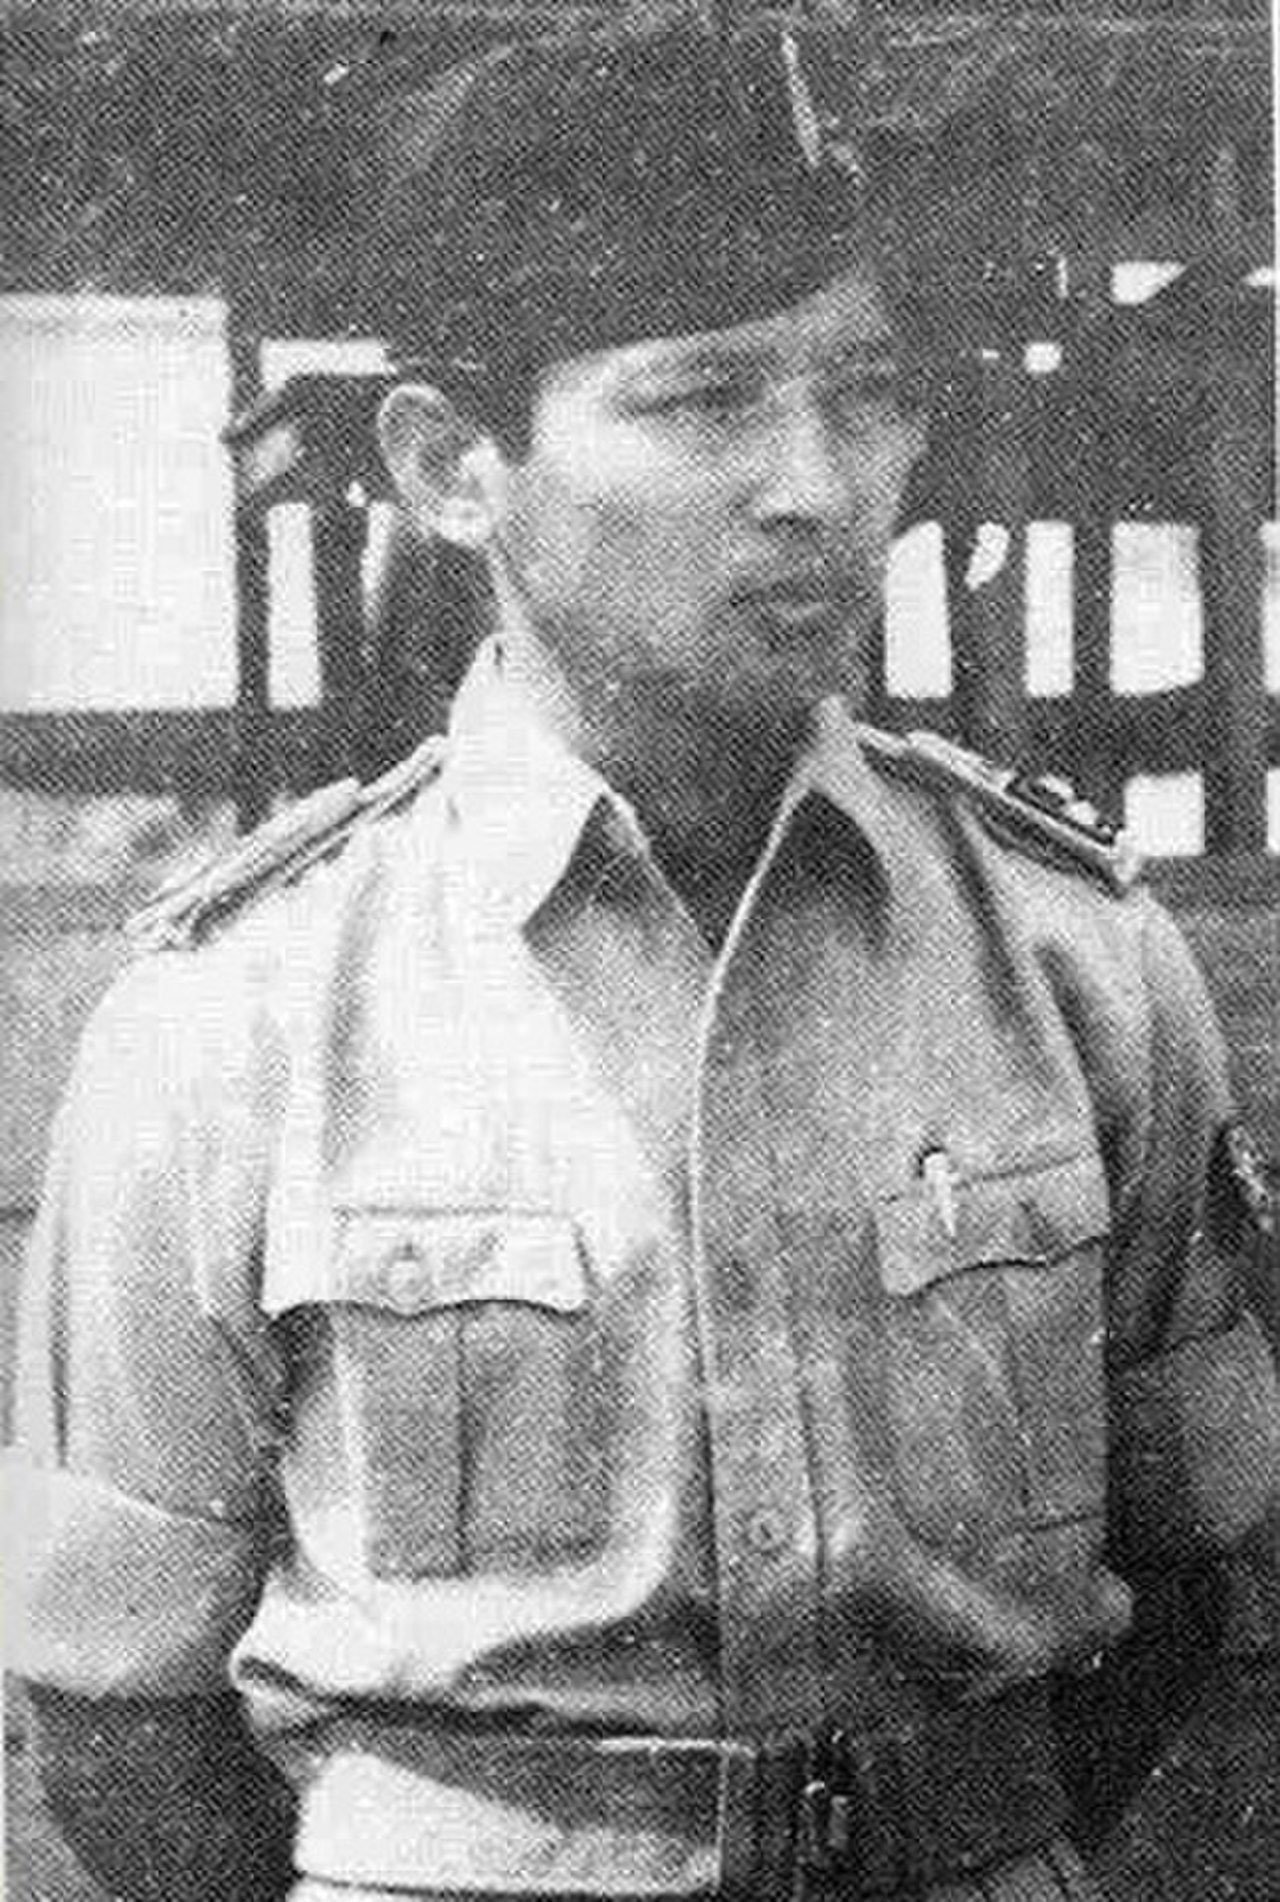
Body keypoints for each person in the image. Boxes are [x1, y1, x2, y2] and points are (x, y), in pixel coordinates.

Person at [8, 13, 1277, 1902]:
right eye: (703, 403)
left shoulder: (1078, 959)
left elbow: (1181, 1575)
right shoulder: (237, 1016)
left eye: (867, 394)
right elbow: (121, 1718)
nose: (817, 482)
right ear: (452, 467)